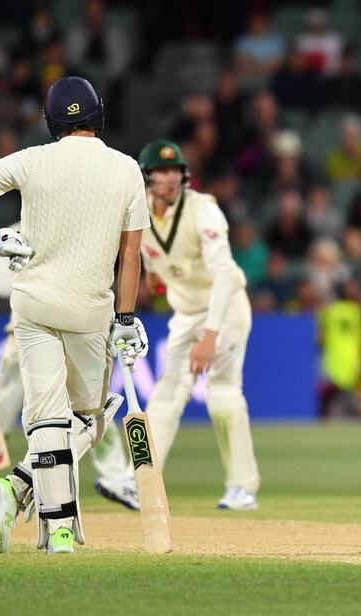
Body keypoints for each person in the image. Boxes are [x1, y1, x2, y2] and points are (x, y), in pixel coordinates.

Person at [0, 76, 150, 555]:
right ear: (97, 116)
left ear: (52, 120)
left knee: (46, 418)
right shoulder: (126, 169)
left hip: (34, 305)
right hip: (88, 309)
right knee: (88, 418)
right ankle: (34, 501)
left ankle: (39, 510)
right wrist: (125, 317)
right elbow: (131, 255)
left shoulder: (34, 159)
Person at [0, 234, 138, 511]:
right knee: (3, 410)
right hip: (25, 335)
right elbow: (2, 285)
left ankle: (115, 476)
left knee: (87, 410)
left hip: (75, 331)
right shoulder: (16, 231)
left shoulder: (85, 233)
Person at [131, 139, 260, 509]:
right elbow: (155, 259)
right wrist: (156, 277)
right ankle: (141, 480)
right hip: (186, 313)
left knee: (222, 395)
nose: (169, 179)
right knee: (166, 395)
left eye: (174, 171)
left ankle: (242, 487)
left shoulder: (204, 211)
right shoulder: (138, 209)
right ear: (148, 176)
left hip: (227, 308)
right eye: (161, 172)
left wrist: (210, 336)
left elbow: (222, 276)